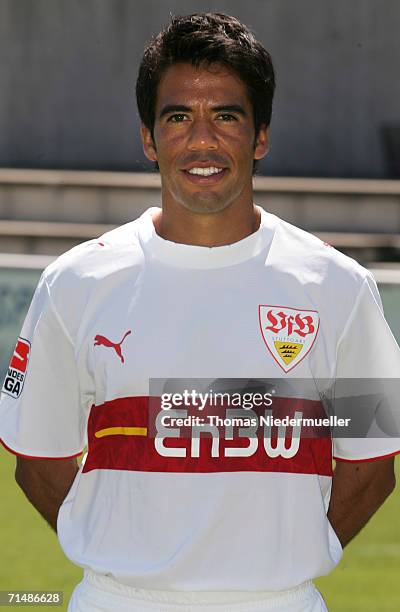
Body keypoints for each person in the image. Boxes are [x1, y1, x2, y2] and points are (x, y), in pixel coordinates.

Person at [1, 12, 399, 612]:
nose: (203, 140)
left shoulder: (339, 286)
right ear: (148, 137)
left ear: (260, 135)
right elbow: (39, 462)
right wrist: (131, 564)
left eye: (227, 116)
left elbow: (371, 467)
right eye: (179, 116)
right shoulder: (77, 283)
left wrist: (273, 570)